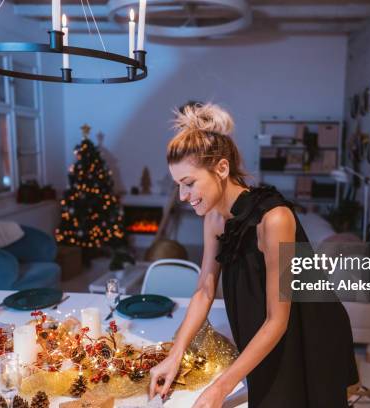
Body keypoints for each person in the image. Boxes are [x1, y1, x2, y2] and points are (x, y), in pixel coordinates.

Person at [148, 103, 358, 407]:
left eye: (189, 183)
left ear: (221, 168)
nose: (182, 197)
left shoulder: (274, 220)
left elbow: (277, 320)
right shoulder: (214, 220)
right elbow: (204, 290)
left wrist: (221, 388)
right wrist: (174, 354)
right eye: (178, 185)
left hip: (309, 334)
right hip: (263, 331)